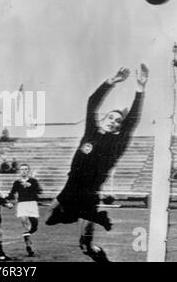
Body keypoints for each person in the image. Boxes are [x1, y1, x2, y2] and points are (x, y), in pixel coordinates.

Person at [46, 65, 149, 262]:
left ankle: (100, 254)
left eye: (118, 121)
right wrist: (111, 81)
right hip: (69, 188)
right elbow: (91, 102)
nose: (113, 121)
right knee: (50, 217)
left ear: (120, 127)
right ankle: (84, 217)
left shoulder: (117, 142)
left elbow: (133, 118)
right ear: (103, 119)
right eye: (110, 117)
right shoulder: (90, 132)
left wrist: (140, 88)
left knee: (86, 246)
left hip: (88, 193)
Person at [6, 164, 42, 257]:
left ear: (28, 171)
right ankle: (29, 245)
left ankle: (27, 235)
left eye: (26, 169)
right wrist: (10, 202)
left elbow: (40, 191)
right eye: (22, 169)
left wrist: (31, 186)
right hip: (22, 204)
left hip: (32, 204)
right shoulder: (17, 182)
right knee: (25, 223)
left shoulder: (33, 181)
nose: (24, 171)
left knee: (34, 226)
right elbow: (12, 193)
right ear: (19, 171)